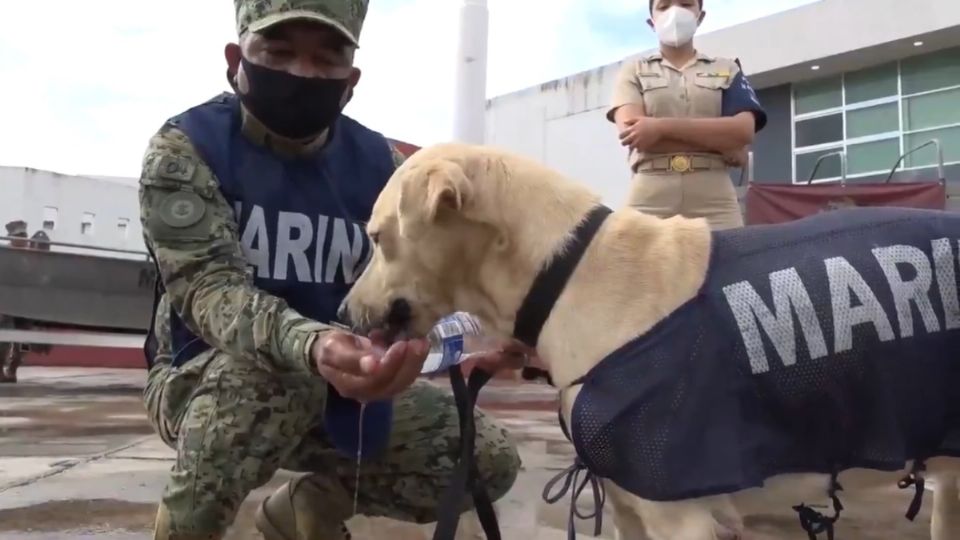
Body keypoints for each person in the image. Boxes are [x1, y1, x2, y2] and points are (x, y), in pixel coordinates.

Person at [137, 2, 521, 539]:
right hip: (204, 376)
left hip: (343, 383)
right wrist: (317, 347)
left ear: (350, 80)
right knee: (265, 376)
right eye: (278, 51)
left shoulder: (382, 168)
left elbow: (412, 287)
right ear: (235, 60)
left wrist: (459, 340)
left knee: (485, 457)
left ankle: (304, 512)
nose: (301, 72)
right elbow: (209, 292)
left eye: (326, 58)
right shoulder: (188, 150)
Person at [607, 0, 768, 230]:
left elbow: (742, 131)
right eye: (663, 7)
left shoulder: (727, 69)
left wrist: (659, 128)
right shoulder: (633, 70)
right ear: (651, 22)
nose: (674, 12)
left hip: (715, 197)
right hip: (650, 193)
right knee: (630, 262)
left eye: (685, 4)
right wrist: (721, 141)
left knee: (729, 263)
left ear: (700, 16)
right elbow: (634, 135)